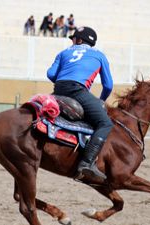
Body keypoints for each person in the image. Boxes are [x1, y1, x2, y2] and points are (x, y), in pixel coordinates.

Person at [47, 26, 113, 181]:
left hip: (58, 89)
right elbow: (108, 85)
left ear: (79, 40)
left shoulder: (64, 52)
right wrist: (101, 100)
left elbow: (50, 74)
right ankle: (87, 163)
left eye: (73, 38)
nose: (72, 41)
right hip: (78, 91)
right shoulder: (100, 56)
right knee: (105, 123)